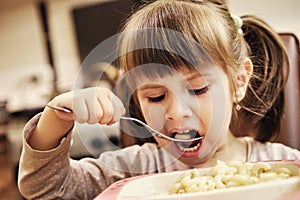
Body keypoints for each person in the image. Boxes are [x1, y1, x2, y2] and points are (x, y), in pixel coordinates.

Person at [18, 0, 300, 199]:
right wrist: (56, 118)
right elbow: (46, 189)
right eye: (156, 96)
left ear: (238, 83)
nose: (176, 113)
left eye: (198, 89)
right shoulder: (130, 170)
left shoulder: (283, 164)